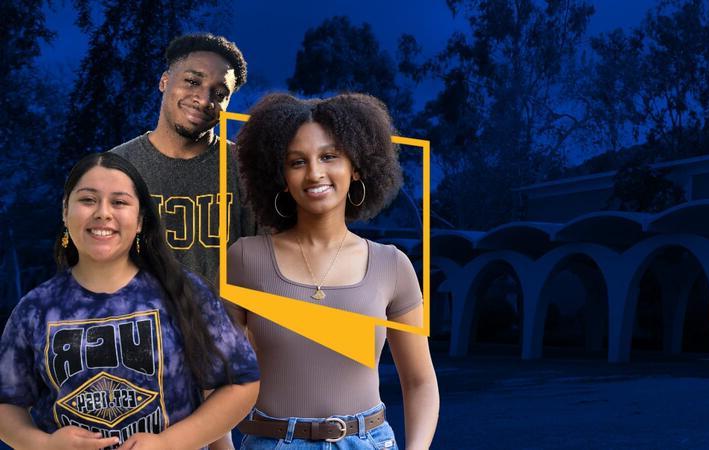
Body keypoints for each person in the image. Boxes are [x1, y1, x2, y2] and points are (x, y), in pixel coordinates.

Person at [0, 153, 260, 449]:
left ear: (140, 221)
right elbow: (6, 403)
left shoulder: (183, 292)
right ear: (64, 211)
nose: (103, 213)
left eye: (119, 202)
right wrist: (42, 445)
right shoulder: (35, 309)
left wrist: (170, 443)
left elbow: (242, 382)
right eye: (88, 200)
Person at [227, 92, 437, 450]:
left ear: (356, 167)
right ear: (280, 176)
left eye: (329, 156)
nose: (314, 173)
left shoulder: (392, 265)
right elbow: (219, 377)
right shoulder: (246, 259)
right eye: (297, 162)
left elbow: (420, 382)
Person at [107, 32, 254, 294]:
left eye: (220, 93)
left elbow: (269, 267)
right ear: (164, 81)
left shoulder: (246, 169)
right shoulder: (114, 168)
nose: (204, 99)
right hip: (141, 331)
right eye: (192, 81)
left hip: (223, 332)